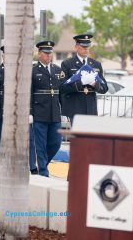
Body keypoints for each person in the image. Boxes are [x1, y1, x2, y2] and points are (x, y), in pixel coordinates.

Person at [30, 40, 65, 176]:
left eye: (50, 53)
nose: (48, 55)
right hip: (39, 113)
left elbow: (61, 92)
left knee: (56, 142)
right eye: (45, 53)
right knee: (40, 144)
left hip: (55, 113)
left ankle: (42, 164)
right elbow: (30, 93)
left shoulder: (58, 70)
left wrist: (63, 111)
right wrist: (30, 112)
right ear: (39, 54)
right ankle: (43, 172)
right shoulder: (33, 71)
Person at [60, 33, 108, 123]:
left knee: (90, 137)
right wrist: (80, 82)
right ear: (76, 47)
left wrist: (94, 83)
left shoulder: (96, 64)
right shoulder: (67, 64)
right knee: (76, 136)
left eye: (87, 47)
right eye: (83, 46)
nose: (86, 49)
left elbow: (104, 88)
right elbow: (62, 87)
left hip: (91, 108)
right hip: (75, 107)